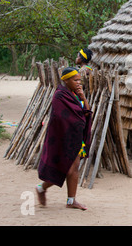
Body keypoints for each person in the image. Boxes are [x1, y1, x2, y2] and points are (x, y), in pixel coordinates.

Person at [35, 67, 92, 210]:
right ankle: (41, 188)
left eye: (79, 80)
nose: (78, 83)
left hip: (76, 138)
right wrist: (78, 119)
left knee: (74, 168)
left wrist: (83, 97)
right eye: (75, 80)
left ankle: (71, 200)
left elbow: (86, 112)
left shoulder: (76, 95)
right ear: (66, 80)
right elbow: (61, 118)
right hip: (64, 138)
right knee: (64, 168)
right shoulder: (60, 96)